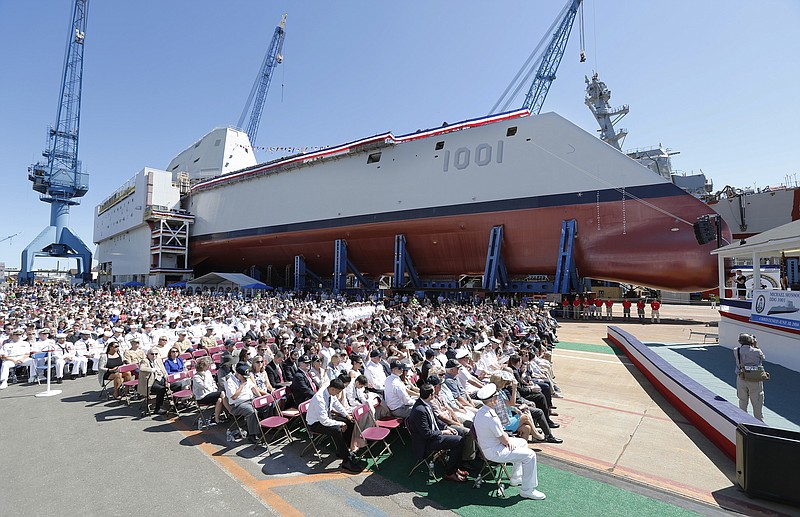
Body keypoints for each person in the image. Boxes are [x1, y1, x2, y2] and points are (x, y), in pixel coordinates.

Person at [473, 384, 546, 500]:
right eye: (496, 397)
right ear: (492, 400)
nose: (498, 399)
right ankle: (528, 490)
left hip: (490, 446)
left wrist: (507, 440)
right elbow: (503, 437)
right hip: (495, 451)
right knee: (530, 455)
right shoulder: (491, 416)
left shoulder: (481, 411)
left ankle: (516, 477)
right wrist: (507, 441)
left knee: (522, 443)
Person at [406, 383, 468, 483]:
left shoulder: (426, 403)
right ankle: (449, 473)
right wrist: (444, 432)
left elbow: (435, 421)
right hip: (426, 443)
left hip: (434, 435)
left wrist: (447, 427)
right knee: (458, 441)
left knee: (460, 431)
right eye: (434, 394)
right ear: (430, 395)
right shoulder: (419, 410)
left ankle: (455, 467)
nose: (435, 395)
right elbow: (426, 434)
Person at [306, 377, 363, 473]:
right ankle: (346, 461)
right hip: (316, 423)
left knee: (350, 421)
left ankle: (344, 450)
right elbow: (324, 421)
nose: (338, 394)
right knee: (337, 430)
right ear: (332, 389)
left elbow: (337, 405)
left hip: (326, 418)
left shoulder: (330, 393)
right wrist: (341, 423)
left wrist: (346, 416)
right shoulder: (319, 398)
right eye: (337, 392)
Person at [224, 362, 263, 441]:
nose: (245, 378)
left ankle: (265, 428)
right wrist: (241, 386)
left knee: (267, 405)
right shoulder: (230, 382)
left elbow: (253, 389)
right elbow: (234, 397)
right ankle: (252, 435)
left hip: (250, 399)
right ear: (238, 374)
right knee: (251, 411)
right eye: (243, 377)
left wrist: (261, 398)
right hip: (238, 405)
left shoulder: (246, 378)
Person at [734, 333, 766, 421]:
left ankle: (743, 419)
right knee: (757, 401)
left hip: (741, 377)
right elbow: (763, 358)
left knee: (742, 400)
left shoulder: (736, 350)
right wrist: (756, 345)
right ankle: (759, 420)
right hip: (755, 379)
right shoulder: (757, 351)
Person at [192, 356, 224, 425]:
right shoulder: (196, 377)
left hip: (211, 393)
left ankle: (216, 419)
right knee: (222, 393)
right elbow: (204, 386)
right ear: (203, 366)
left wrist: (215, 388)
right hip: (202, 397)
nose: (208, 367)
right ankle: (231, 411)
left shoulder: (208, 372)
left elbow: (213, 382)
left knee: (220, 400)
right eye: (207, 366)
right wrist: (204, 377)